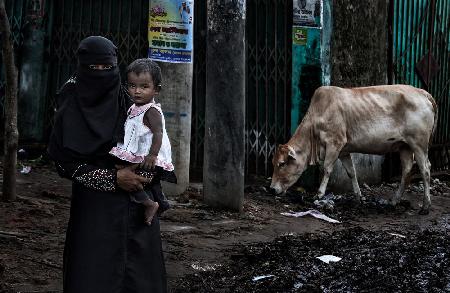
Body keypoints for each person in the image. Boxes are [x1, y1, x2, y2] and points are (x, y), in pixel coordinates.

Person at [48, 36, 167, 293]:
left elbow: (147, 141)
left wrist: (150, 185)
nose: (102, 75)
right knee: (94, 272)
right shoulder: (70, 97)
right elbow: (64, 162)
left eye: (108, 68)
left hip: (136, 203)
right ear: (82, 66)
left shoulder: (126, 97)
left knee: (140, 275)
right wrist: (111, 179)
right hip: (94, 207)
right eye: (94, 68)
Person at [110, 58, 176, 225]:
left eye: (144, 87)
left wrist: (152, 155)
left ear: (156, 89)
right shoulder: (134, 107)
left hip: (148, 157)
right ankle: (162, 203)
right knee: (143, 180)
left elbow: (158, 133)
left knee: (134, 181)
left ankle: (149, 204)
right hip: (138, 154)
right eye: (132, 86)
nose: (137, 91)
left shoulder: (151, 111)